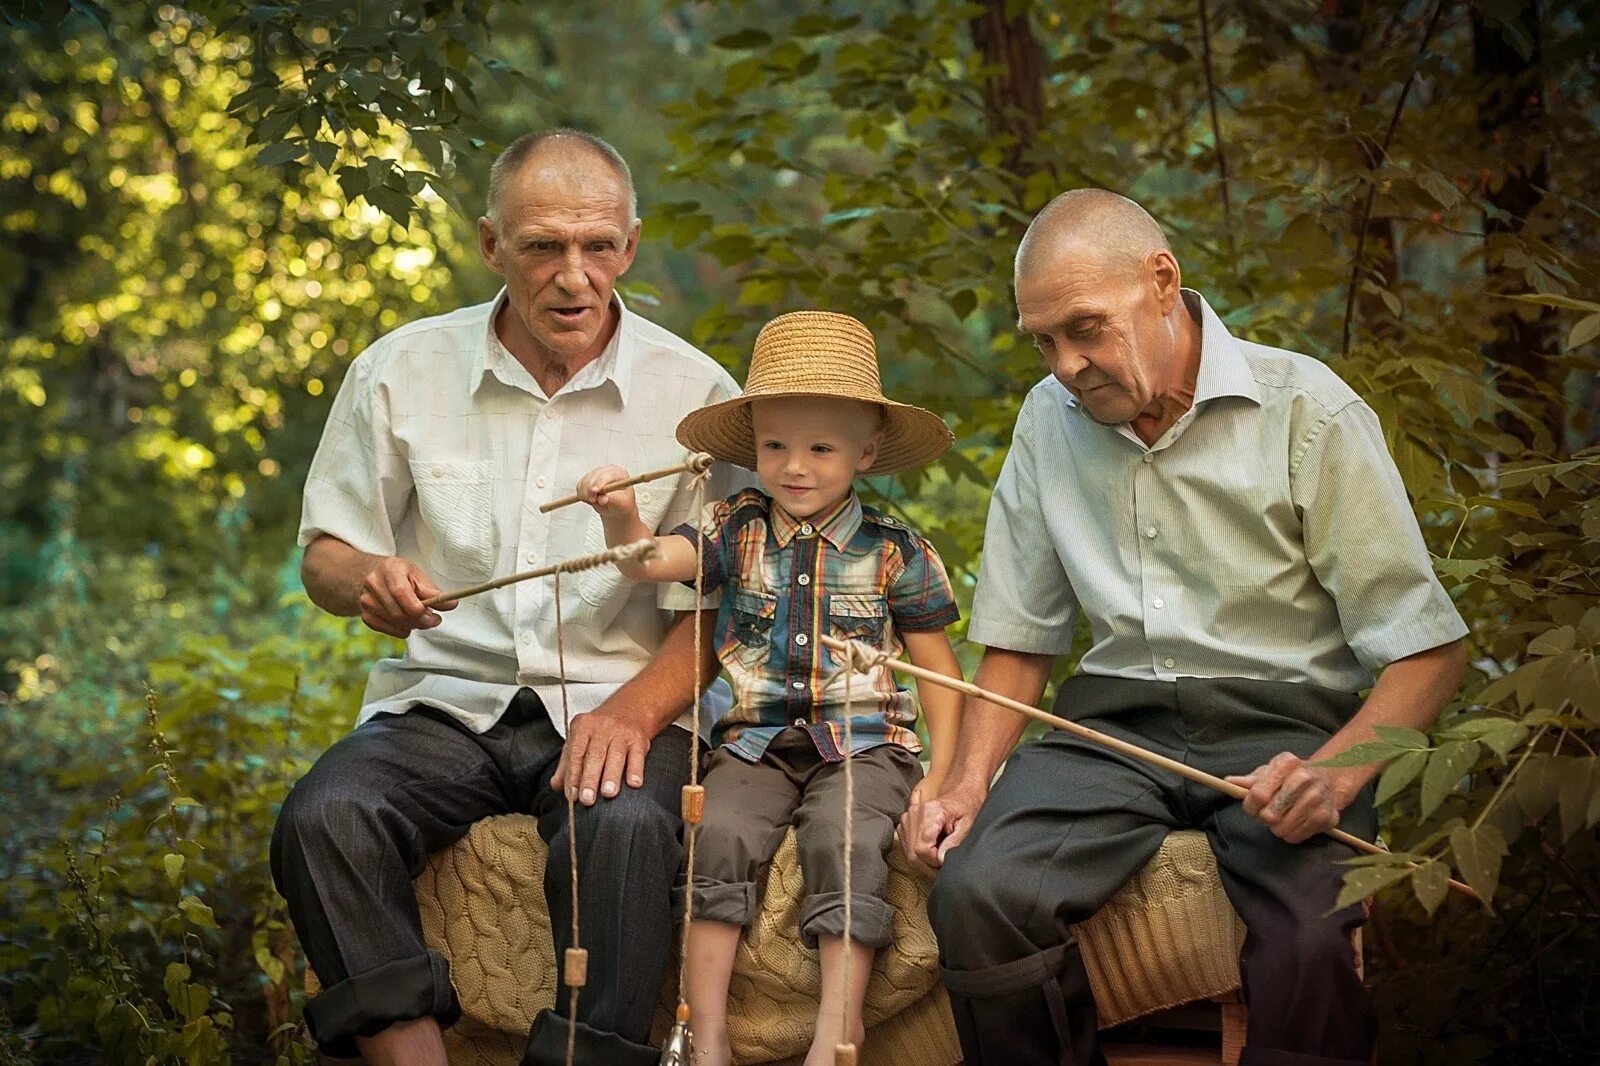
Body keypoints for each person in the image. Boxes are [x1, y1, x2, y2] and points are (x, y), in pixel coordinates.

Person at [905, 189, 1469, 1066]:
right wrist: (966, 786)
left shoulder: (1307, 412)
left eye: (1086, 329)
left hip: (1289, 723)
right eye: (1044, 341)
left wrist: (1336, 774)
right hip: (1109, 729)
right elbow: (1021, 638)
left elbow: (1428, 648)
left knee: (1312, 946)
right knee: (980, 895)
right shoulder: (1045, 424)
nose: (1064, 365)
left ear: (1162, 282)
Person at [271, 128, 747, 1066]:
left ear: (630, 246)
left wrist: (637, 710)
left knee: (629, 826)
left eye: (597, 246)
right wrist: (365, 580)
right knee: (324, 817)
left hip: (623, 698)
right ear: (491, 244)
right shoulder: (400, 370)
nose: (574, 276)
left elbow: (734, 607)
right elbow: (325, 552)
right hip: (447, 706)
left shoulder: (698, 396)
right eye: (543, 247)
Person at [573, 311, 964, 1066]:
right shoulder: (733, 528)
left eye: (821, 447)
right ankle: (706, 1031)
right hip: (755, 742)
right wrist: (620, 509)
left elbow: (941, 673)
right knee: (715, 834)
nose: (795, 465)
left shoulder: (896, 552)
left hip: (863, 745)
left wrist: (940, 777)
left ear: (866, 452)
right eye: (775, 445)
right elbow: (645, 562)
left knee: (846, 839)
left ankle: (837, 1032)